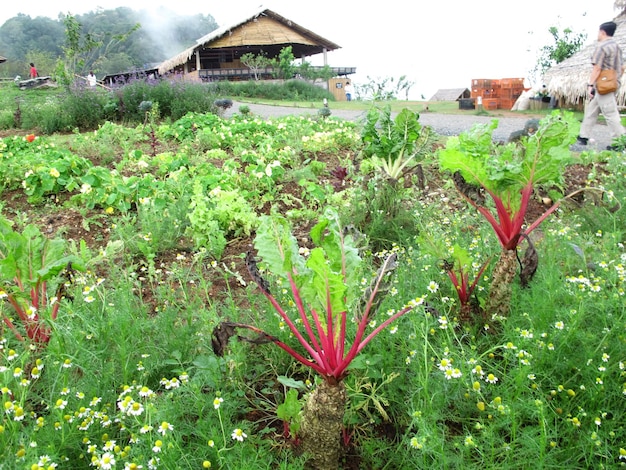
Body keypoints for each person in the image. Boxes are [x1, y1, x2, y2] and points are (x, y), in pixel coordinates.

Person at [577, 21, 625, 150]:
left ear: (602, 32)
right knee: (592, 111)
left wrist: (590, 84)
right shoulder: (617, 47)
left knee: (610, 113)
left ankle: (620, 141)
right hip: (613, 82)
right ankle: (583, 136)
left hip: (603, 84)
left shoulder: (602, 47)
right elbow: (622, 67)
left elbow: (597, 68)